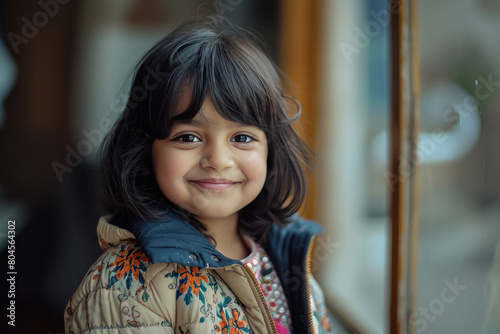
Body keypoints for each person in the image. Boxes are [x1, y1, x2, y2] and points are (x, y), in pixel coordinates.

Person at [64, 15, 333, 334]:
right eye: (188, 137)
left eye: (242, 138)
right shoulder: (123, 286)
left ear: (271, 152)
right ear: (144, 153)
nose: (218, 160)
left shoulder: (286, 255)